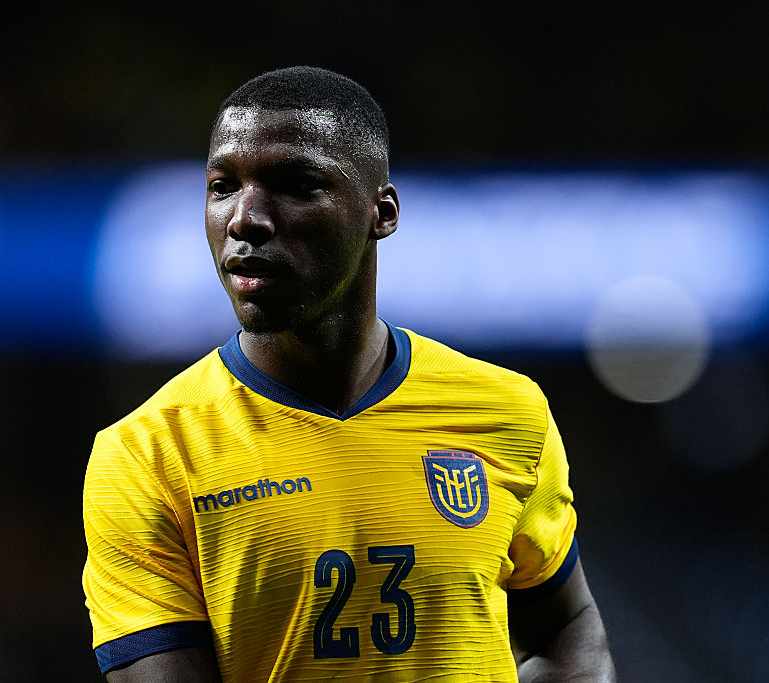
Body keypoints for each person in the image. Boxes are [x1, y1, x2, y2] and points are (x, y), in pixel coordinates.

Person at [82, 65, 615, 682]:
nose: (245, 219)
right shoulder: (146, 455)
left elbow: (567, 630)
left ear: (380, 212)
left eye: (295, 184)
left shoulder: (506, 410)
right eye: (223, 186)